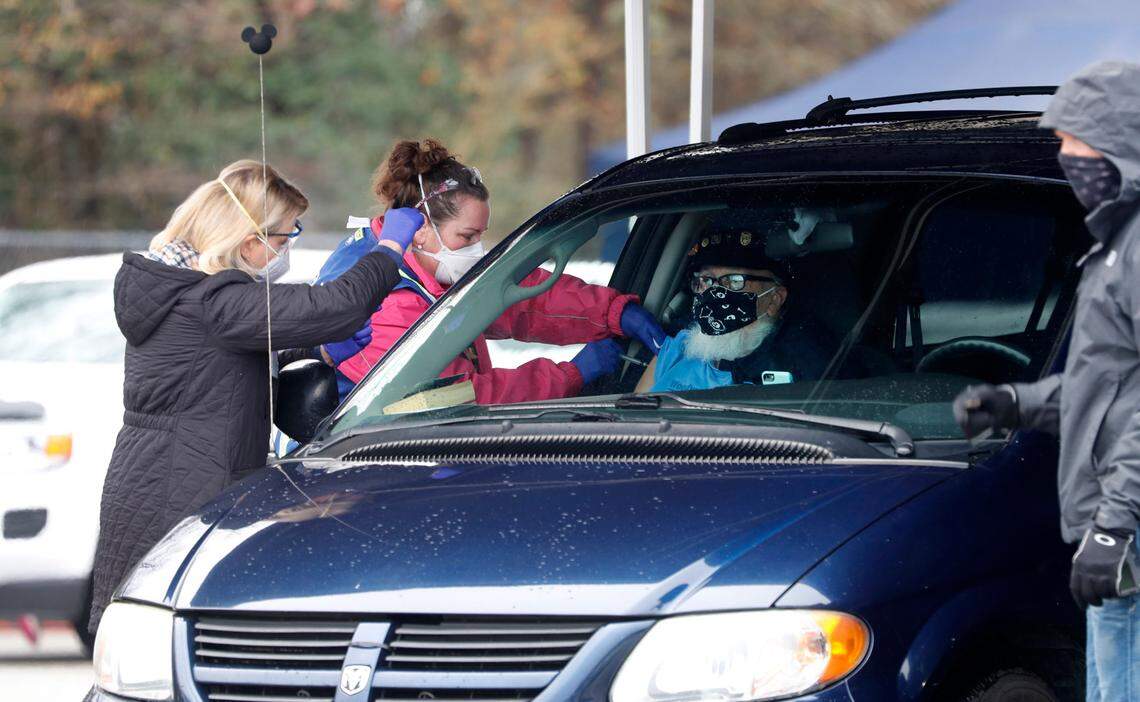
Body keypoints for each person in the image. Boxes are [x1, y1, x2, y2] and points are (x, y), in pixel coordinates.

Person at [89, 160, 421, 634]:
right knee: (171, 636)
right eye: (287, 237)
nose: (288, 248)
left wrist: (314, 347)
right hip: (184, 486)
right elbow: (334, 305)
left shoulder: (177, 292)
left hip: (155, 477)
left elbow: (214, 365)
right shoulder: (212, 300)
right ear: (249, 241)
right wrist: (388, 249)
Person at [951, 61, 1140, 701]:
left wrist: (1116, 527)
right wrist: (1015, 402)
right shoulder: (1115, 247)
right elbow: (1103, 387)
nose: (1063, 155)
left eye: (1075, 141)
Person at [315, 139, 665, 404]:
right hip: (371, 462)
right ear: (419, 229)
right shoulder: (389, 302)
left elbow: (517, 297)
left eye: (481, 236)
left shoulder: (424, 260)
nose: (477, 251)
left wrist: (613, 312)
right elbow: (459, 399)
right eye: (467, 237)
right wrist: (571, 375)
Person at [637, 229, 834, 393]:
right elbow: (634, 420)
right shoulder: (679, 345)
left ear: (775, 299)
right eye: (706, 280)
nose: (715, 292)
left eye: (735, 281)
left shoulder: (801, 368)